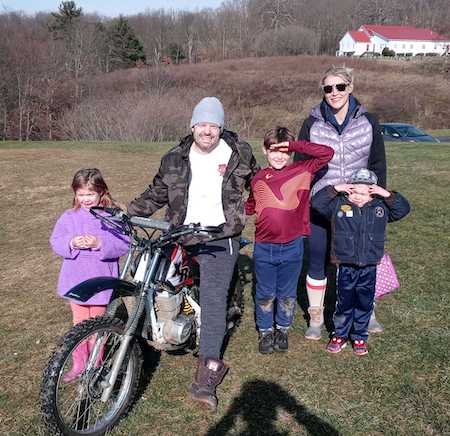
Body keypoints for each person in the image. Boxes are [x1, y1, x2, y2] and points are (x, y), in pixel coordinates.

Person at [127, 96, 258, 410]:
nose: (208, 131)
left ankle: (207, 373)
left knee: (213, 301)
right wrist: (129, 212)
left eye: (214, 125)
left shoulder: (239, 153)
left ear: (220, 127)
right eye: (202, 124)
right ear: (193, 126)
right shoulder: (174, 157)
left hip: (220, 236)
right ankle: (142, 337)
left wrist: (257, 206)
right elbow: (157, 191)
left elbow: (259, 181)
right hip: (180, 231)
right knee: (148, 278)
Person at [295, 65, 387, 340]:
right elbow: (302, 166)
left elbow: (378, 164)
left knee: (362, 261)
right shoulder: (311, 123)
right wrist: (303, 200)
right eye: (328, 88)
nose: (334, 93)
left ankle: (365, 311)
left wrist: (374, 196)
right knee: (318, 260)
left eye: (340, 87)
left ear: (350, 88)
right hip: (323, 202)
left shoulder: (369, 121)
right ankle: (316, 316)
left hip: (359, 203)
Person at [245, 127, 334, 354]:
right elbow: (250, 206)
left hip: (292, 246)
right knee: (265, 292)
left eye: (284, 151)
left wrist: (293, 145)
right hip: (264, 247)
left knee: (286, 292)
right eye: (274, 150)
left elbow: (326, 153)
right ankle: (266, 331)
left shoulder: (303, 170)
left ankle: (282, 329)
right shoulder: (257, 178)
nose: (279, 156)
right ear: (264, 150)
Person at [311, 168, 410, 355]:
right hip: (346, 265)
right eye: (354, 191)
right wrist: (335, 189)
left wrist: (387, 194)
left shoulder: (380, 208)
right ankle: (339, 335)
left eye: (363, 193)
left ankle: (359, 336)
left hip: (370, 266)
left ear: (373, 192)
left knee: (365, 302)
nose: (358, 196)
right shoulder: (339, 205)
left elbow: (403, 209)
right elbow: (316, 203)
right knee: (344, 302)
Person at [50, 168, 129, 382]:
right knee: (79, 323)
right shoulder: (69, 216)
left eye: (90, 194)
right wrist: (71, 242)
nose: (85, 199)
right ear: (75, 193)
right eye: (81, 194)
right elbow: (56, 241)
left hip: (100, 280)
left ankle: (95, 364)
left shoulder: (113, 216)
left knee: (97, 325)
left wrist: (99, 243)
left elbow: (123, 244)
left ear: (101, 192)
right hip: (75, 279)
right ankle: (79, 364)